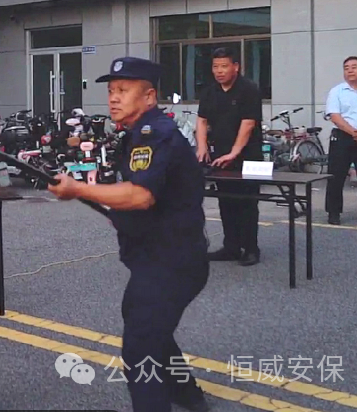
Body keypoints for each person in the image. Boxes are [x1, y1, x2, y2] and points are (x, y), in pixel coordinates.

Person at [48, 56, 210, 412]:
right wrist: (118, 212)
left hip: (171, 261)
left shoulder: (156, 134)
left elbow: (140, 195)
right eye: (111, 91)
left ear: (149, 97)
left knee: (140, 349)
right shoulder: (138, 134)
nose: (113, 98)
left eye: (123, 90)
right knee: (148, 325)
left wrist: (78, 189)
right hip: (157, 255)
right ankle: (187, 394)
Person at [196, 47, 263, 266]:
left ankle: (251, 249)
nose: (219, 71)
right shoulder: (209, 92)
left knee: (247, 203)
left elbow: (248, 123)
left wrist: (234, 152)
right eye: (215, 67)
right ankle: (231, 247)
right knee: (226, 201)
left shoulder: (249, 89)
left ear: (236, 67)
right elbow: (202, 120)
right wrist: (202, 146)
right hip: (220, 156)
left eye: (224, 66)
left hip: (248, 156)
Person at [324, 56, 357, 225]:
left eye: (354, 67)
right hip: (343, 137)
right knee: (336, 176)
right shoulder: (337, 92)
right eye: (346, 68)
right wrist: (355, 134)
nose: (350, 70)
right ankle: (333, 212)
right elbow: (335, 116)